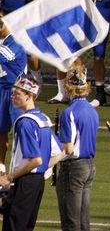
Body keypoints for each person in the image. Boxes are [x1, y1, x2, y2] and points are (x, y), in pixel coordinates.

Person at [0, 76, 63, 231]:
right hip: (37, 182)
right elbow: (60, 152)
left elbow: (35, 160)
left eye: (17, 94)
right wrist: (41, 172)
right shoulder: (43, 119)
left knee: (14, 226)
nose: (12, 97)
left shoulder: (25, 122)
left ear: (29, 95)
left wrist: (9, 177)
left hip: (24, 182)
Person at [38, 0, 84, 103]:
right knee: (60, 56)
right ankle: (62, 92)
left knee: (75, 57)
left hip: (74, 18)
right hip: (57, 18)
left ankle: (77, 90)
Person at [56, 60, 99, 231]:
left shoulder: (69, 113)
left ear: (68, 87)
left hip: (73, 168)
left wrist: (49, 163)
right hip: (89, 166)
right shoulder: (92, 110)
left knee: (70, 220)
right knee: (83, 220)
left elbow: (69, 149)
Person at [0, 19, 27, 172]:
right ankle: (1, 166)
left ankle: (25, 165)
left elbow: (3, 56)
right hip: (1, 89)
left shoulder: (17, 41)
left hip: (16, 92)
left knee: (21, 130)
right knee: (1, 130)